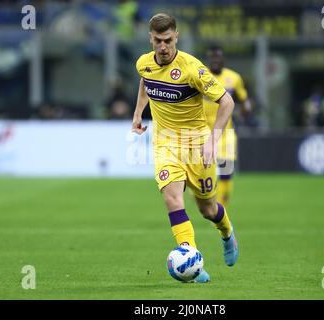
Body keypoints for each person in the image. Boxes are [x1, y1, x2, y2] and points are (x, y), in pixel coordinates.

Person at [131, 13, 238, 283]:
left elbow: (227, 102)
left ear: (176, 36)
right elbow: (146, 82)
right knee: (172, 198)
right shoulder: (143, 63)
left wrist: (213, 139)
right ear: (150, 39)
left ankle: (226, 233)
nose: (163, 47)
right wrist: (138, 113)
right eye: (158, 41)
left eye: (168, 40)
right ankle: (192, 259)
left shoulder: (192, 68)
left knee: (208, 209)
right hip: (165, 143)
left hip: (197, 145)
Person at [203, 45, 253, 207]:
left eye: (218, 58)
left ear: (223, 59)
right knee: (200, 173)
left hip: (225, 132)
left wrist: (245, 110)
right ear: (209, 59)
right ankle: (203, 198)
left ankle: (220, 207)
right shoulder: (201, 75)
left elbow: (244, 101)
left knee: (226, 172)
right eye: (213, 58)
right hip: (202, 132)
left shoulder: (234, 78)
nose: (215, 61)